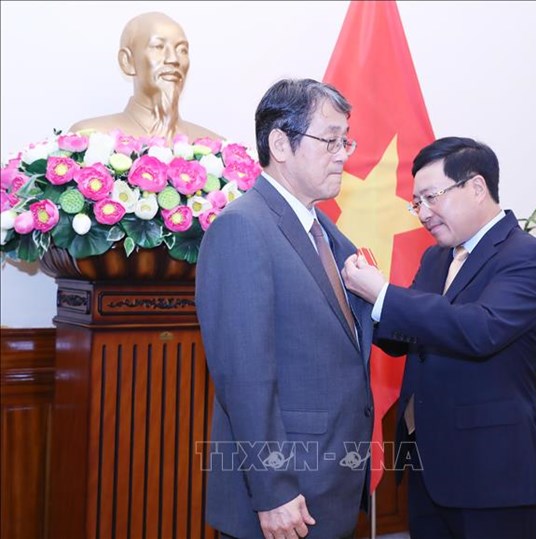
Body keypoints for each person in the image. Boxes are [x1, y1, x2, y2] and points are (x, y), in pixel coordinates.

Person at [342, 136, 536, 539]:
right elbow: (411, 332)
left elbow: (480, 330)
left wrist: (384, 295)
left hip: (491, 471)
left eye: (430, 197)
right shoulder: (436, 256)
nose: (422, 212)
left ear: (476, 187)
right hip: (426, 462)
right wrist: (356, 303)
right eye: (416, 202)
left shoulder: (526, 255)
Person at [195, 78, 375, 538]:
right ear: (280, 143)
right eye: (330, 140)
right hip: (283, 494)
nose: (343, 154)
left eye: (346, 141)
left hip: (329, 482)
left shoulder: (327, 232)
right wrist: (272, 489)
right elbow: (245, 376)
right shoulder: (243, 228)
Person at [69, 11, 221, 142]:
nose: (173, 59)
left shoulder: (218, 149)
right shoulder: (90, 138)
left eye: (182, 50)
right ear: (127, 61)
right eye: (158, 47)